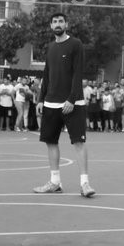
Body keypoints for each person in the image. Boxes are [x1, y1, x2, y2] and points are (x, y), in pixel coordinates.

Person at [34, 13, 94, 198]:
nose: (57, 24)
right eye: (54, 22)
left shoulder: (76, 44)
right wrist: (41, 99)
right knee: (51, 142)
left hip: (73, 103)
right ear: (51, 26)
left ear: (66, 24)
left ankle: (85, 184)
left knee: (79, 142)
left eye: (61, 21)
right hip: (50, 103)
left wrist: (71, 99)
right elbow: (47, 74)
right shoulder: (50, 47)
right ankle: (54, 182)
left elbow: (78, 74)